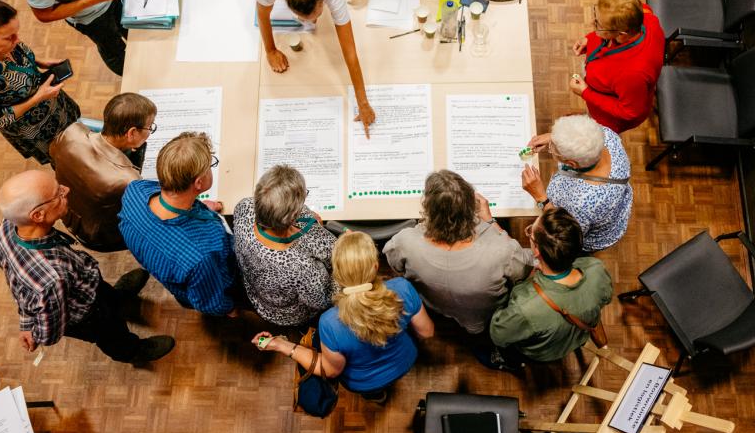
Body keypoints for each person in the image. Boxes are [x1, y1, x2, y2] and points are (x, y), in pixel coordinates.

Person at [0, 170, 175, 363]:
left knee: (108, 300)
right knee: (111, 333)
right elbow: (49, 333)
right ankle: (132, 351)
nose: (67, 190)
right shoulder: (51, 279)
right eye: (58, 194)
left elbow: (17, 283)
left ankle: (116, 298)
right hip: (89, 314)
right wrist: (33, 330)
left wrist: (26, 321)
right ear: (38, 215)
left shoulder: (7, 227)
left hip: (86, 285)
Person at [251, 231, 434, 403]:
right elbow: (427, 333)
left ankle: (376, 396)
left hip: (364, 382)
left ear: (337, 275)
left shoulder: (330, 322)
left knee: (372, 391)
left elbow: (330, 371)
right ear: (375, 266)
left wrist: (281, 345)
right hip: (405, 360)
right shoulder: (402, 288)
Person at [254, 0, 375, 134]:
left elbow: (350, 55)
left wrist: (363, 102)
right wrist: (270, 50)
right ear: (288, 3)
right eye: (305, 19)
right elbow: (262, 13)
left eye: (319, 13)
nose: (316, 21)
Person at [384, 170, 533, 336]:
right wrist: (490, 221)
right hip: (482, 319)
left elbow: (395, 265)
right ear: (470, 207)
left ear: (428, 208)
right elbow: (525, 268)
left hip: (433, 307)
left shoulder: (405, 241)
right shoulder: (501, 249)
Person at [119, 132, 237, 317]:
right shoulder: (201, 255)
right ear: (198, 183)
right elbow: (209, 301)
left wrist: (199, 207)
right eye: (210, 166)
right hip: (216, 281)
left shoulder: (136, 190)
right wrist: (230, 309)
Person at [0, 0, 79, 165]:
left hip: (52, 103)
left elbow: (16, 59)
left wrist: (39, 61)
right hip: (36, 129)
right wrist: (38, 98)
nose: (18, 40)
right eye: (9, 37)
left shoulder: (0, 43)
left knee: (77, 135)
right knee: (70, 160)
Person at [489, 208, 613, 362]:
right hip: (577, 336)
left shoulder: (525, 306)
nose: (528, 234)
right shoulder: (595, 268)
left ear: (537, 251)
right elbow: (605, 298)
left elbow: (498, 335)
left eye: (529, 232)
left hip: (543, 353)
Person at [49, 93, 157, 252]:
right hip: (99, 237)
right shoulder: (127, 179)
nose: (150, 131)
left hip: (68, 214)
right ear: (131, 133)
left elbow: (53, 156)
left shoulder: (71, 132)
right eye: (150, 127)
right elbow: (142, 214)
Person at [233, 165, 336, 328]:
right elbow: (322, 300)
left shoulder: (243, 208)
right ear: (294, 215)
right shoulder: (302, 266)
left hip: (258, 296)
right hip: (288, 314)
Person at [521, 114, 632, 252]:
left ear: (571, 164)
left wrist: (541, 198)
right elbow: (582, 134)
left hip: (580, 234)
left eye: (552, 149)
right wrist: (554, 137)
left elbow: (564, 232)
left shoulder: (582, 203)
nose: (550, 148)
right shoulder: (607, 135)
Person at [571, 0, 665, 133]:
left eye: (598, 24)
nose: (592, 24)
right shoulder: (646, 18)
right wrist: (590, 39)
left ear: (622, 34)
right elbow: (645, 7)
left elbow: (630, 112)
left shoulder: (632, 74)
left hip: (607, 117)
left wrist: (585, 92)